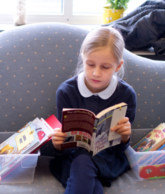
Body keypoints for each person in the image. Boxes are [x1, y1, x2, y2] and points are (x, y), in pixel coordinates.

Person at [50, 27, 137, 194]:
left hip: (108, 159)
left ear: (118, 66)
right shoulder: (67, 91)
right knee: (83, 162)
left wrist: (125, 137)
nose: (96, 73)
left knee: (84, 165)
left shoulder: (126, 95)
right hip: (72, 158)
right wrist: (59, 144)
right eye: (90, 64)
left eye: (105, 67)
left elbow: (119, 149)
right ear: (82, 59)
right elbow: (65, 148)